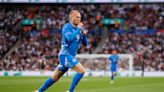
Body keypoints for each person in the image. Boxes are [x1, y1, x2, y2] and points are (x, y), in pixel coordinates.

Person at [34, 10, 88, 92]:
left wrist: (84, 35)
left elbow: (85, 44)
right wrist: (78, 30)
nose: (79, 19)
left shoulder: (78, 30)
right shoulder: (66, 27)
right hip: (65, 54)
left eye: (80, 17)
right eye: (77, 17)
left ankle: (39, 91)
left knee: (55, 77)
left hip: (70, 56)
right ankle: (70, 91)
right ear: (71, 17)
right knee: (81, 71)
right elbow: (69, 38)